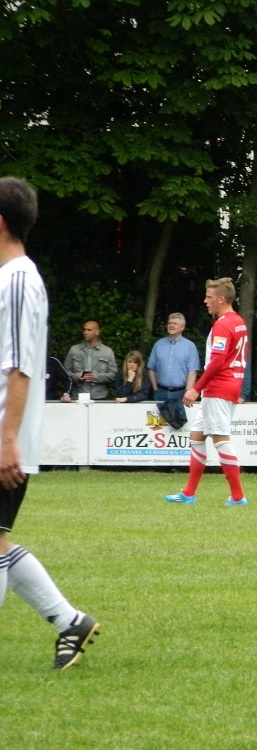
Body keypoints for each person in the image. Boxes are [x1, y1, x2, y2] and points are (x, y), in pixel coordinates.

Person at [0, 176, 100, 669]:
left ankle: (69, 621)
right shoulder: (11, 278)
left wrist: (7, 439)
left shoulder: (20, 279)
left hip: (6, 437)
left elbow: (20, 366)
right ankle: (69, 621)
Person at [165, 277, 249, 507]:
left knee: (221, 440)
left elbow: (218, 361)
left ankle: (238, 497)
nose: (205, 301)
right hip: (228, 385)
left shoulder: (222, 324)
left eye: (209, 297)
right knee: (197, 436)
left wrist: (196, 388)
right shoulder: (238, 321)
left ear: (221, 299)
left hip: (218, 387)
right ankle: (188, 493)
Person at [147, 312, 200, 402]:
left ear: (182, 327)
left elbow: (192, 372)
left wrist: (187, 392)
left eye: (175, 323)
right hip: (160, 392)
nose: (171, 325)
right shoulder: (159, 344)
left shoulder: (190, 346)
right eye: (169, 323)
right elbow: (151, 368)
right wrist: (155, 389)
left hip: (181, 394)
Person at [64, 319, 116, 400]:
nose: (85, 332)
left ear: (97, 332)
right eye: (84, 330)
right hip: (78, 396)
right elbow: (65, 372)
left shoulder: (107, 351)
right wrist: (76, 376)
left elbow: (113, 374)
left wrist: (97, 377)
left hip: (99, 397)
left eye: (89, 330)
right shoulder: (74, 350)